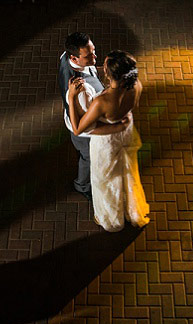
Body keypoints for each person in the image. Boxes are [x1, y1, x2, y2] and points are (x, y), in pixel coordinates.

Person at [67, 50, 149, 231]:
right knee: (126, 173)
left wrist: (72, 97)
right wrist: (120, 125)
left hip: (108, 144)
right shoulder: (135, 86)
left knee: (106, 179)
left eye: (104, 66)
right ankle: (130, 209)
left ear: (110, 73)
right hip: (126, 133)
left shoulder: (102, 102)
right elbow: (131, 109)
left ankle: (112, 218)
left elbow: (78, 128)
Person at [57, 33, 130, 202]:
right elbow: (86, 126)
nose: (94, 56)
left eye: (93, 51)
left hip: (78, 114)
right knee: (88, 157)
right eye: (88, 55)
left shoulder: (64, 57)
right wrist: (117, 128)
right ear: (74, 57)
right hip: (85, 135)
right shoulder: (80, 90)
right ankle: (82, 185)